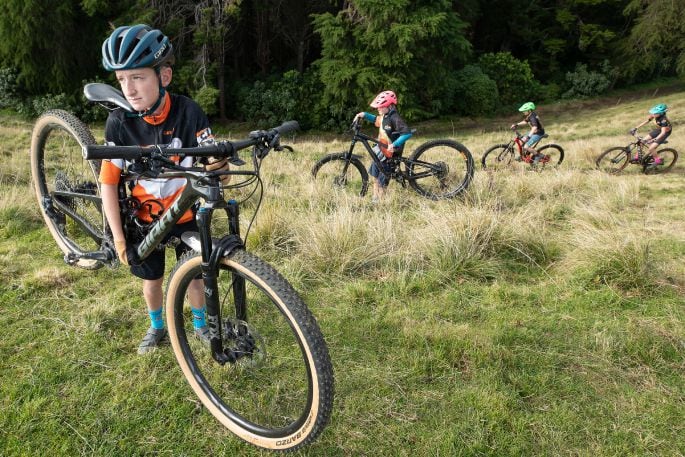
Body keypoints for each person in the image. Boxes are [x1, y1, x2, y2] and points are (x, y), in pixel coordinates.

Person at [99, 24, 228, 354]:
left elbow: (214, 167)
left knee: (196, 276)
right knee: (152, 281)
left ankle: (199, 325)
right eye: (122, 79)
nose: (129, 88)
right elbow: (109, 184)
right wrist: (118, 239)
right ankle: (157, 326)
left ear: (164, 76)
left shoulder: (189, 112)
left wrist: (219, 168)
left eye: (138, 77)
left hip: (185, 214)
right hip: (145, 219)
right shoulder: (119, 122)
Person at [353, 90, 413, 203]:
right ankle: (375, 199)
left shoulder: (395, 118)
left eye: (381, 106)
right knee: (376, 176)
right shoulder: (385, 116)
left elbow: (407, 133)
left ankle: (380, 202)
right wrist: (364, 115)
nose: (378, 109)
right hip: (381, 152)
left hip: (390, 155)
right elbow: (376, 120)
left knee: (382, 181)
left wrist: (394, 144)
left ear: (389, 106)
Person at [630, 103, 672, 168]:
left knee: (651, 147)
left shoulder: (663, 120)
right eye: (653, 113)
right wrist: (636, 128)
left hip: (665, 132)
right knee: (642, 141)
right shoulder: (655, 115)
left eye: (655, 113)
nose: (653, 114)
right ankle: (637, 157)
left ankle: (658, 160)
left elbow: (663, 132)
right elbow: (647, 121)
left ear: (661, 113)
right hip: (658, 130)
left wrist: (654, 139)